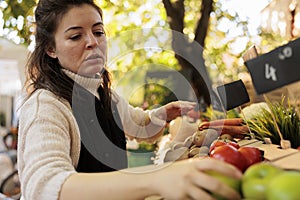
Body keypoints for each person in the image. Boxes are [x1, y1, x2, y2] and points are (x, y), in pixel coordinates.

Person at [17, 0, 242, 199]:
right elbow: (44, 186)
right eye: (76, 36)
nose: (92, 42)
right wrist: (154, 179)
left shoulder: (105, 94)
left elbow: (138, 124)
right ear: (50, 49)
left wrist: (162, 115)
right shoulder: (45, 106)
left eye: (98, 32)